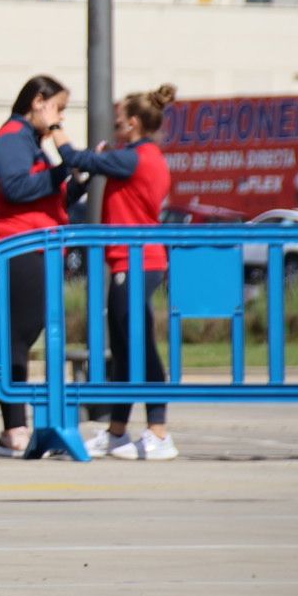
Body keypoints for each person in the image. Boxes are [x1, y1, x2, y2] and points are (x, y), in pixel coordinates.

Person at [52, 86, 179, 461]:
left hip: (139, 261)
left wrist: (55, 126)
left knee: (142, 347)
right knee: (123, 349)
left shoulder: (136, 157)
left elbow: (77, 157)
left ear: (134, 123)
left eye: (120, 117)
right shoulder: (136, 156)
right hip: (127, 261)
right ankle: (118, 431)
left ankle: (159, 431)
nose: (115, 122)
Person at [0, 75, 72, 458]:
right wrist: (61, 171)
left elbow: (44, 190)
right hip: (15, 245)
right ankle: (14, 426)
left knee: (25, 333)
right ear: (38, 101)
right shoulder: (11, 139)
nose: (60, 118)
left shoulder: (29, 141)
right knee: (17, 335)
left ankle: (16, 425)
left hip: (35, 245)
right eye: (59, 108)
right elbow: (18, 188)